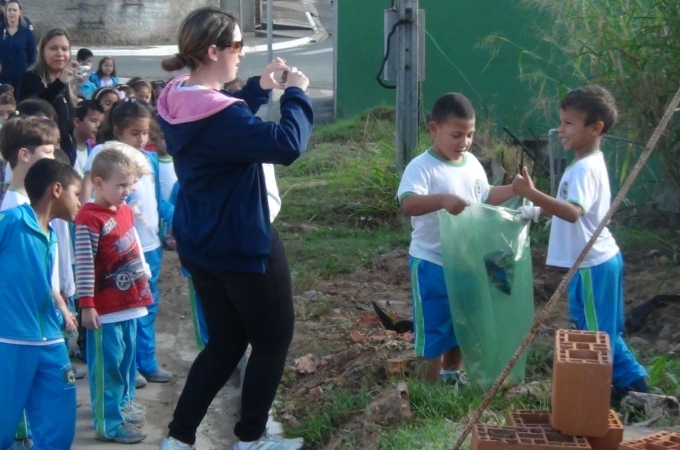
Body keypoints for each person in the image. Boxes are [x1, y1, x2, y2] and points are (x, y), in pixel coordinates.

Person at [155, 6, 313, 450]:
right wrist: (296, 95)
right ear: (213, 50)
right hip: (243, 243)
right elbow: (286, 145)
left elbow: (221, 115)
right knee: (273, 337)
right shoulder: (220, 115)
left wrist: (258, 89)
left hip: (200, 242)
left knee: (225, 342)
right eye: (238, 46)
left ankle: (179, 438)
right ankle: (251, 439)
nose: (241, 54)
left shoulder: (174, 98)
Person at [512, 85, 649, 399]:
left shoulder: (584, 169)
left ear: (596, 127)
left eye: (570, 123)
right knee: (601, 332)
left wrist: (531, 192)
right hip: (598, 261)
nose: (561, 130)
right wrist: (534, 210)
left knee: (594, 336)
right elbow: (571, 208)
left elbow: (573, 213)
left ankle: (637, 389)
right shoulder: (585, 164)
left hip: (591, 265)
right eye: (561, 122)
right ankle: (619, 388)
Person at [397, 92, 515, 384]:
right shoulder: (421, 167)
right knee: (434, 329)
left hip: (466, 262)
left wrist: (515, 190)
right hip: (431, 262)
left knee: (461, 323)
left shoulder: (472, 163)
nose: (464, 142)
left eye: (470, 135)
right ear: (434, 129)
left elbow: (485, 197)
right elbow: (408, 203)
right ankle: (428, 391)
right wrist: (442, 200)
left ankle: (451, 378)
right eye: (456, 135)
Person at [82, 98, 175, 387]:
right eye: (135, 133)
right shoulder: (105, 153)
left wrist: (175, 223)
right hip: (117, 250)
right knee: (120, 309)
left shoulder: (146, 159)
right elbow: (88, 191)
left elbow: (156, 200)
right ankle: (127, 366)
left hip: (148, 245)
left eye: (145, 133)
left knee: (147, 304)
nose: (142, 139)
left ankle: (145, 360)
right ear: (119, 129)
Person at [0, 155, 81, 450]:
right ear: (56, 190)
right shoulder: (11, 221)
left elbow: (45, 286)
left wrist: (61, 310)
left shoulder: (53, 236)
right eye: (76, 193)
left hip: (50, 341)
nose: (79, 202)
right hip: (9, 340)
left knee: (58, 425)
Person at [75, 142, 153, 444]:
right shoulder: (88, 219)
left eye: (130, 184)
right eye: (121, 185)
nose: (127, 190)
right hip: (104, 311)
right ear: (98, 183)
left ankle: (121, 406)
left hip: (131, 304)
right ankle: (107, 423)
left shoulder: (122, 211)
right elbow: (84, 265)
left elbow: (133, 245)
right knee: (107, 368)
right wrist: (87, 304)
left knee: (125, 363)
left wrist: (143, 280)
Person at [16, 28, 78, 166]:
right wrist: (59, 84)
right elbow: (31, 110)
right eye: (53, 48)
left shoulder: (68, 83)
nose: (60, 54)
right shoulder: (30, 79)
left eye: (64, 49)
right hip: (39, 159)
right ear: (42, 51)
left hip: (65, 160)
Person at [0, 0, 36, 89]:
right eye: (9, 10)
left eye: (15, 10)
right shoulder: (0, 30)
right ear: (6, 12)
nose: (12, 13)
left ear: (20, 12)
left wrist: (31, 75)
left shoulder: (27, 33)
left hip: (22, 79)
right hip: (3, 79)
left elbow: (33, 56)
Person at [72, 100, 104, 176]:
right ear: (77, 122)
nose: (98, 126)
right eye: (94, 120)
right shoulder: (65, 148)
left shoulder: (93, 152)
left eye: (101, 123)